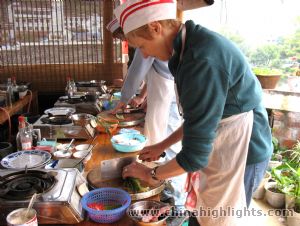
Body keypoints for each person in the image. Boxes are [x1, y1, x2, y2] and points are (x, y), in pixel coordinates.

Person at [114, 1, 272, 225]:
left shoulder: (200, 59)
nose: (144, 54)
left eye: (141, 46)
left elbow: (194, 157)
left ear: (156, 27)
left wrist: (150, 174)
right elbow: (197, 119)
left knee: (222, 219)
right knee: (204, 214)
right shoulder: (185, 50)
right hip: (223, 140)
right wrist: (162, 145)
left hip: (244, 150)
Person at [106, 18, 187, 206]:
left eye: (121, 35)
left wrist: (124, 98)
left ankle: (175, 198)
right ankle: (165, 187)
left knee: (168, 145)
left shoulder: (150, 40)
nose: (141, 51)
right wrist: (142, 97)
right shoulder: (155, 43)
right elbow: (151, 73)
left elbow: (138, 69)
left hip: (169, 99)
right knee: (160, 142)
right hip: (165, 96)